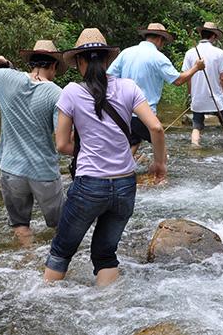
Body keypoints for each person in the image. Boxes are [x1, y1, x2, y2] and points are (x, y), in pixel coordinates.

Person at [44, 28, 166, 286]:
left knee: (61, 252)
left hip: (89, 184)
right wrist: (159, 163)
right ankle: (108, 310)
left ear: (79, 61)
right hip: (124, 185)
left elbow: (62, 143)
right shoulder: (129, 87)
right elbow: (155, 128)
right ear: (108, 60)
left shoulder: (71, 92)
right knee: (105, 255)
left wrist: (87, 146)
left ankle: (42, 304)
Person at [0, 40, 66, 245]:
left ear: (31, 62)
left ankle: (28, 258)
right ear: (54, 65)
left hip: (11, 169)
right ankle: (56, 264)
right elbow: (62, 141)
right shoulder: (58, 93)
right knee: (62, 225)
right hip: (43, 172)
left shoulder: (5, 78)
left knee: (21, 224)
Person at [107, 23, 204, 155]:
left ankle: (121, 170)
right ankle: (160, 174)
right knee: (161, 147)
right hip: (145, 113)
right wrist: (196, 68)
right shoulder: (158, 57)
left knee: (133, 141)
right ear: (160, 39)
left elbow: (109, 77)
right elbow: (178, 80)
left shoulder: (126, 52)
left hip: (122, 111)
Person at [182, 22, 223, 146]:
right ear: (214, 36)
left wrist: (190, 94)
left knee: (197, 126)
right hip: (216, 97)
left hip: (198, 97)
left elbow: (188, 77)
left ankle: (195, 146)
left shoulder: (190, 53)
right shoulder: (219, 53)